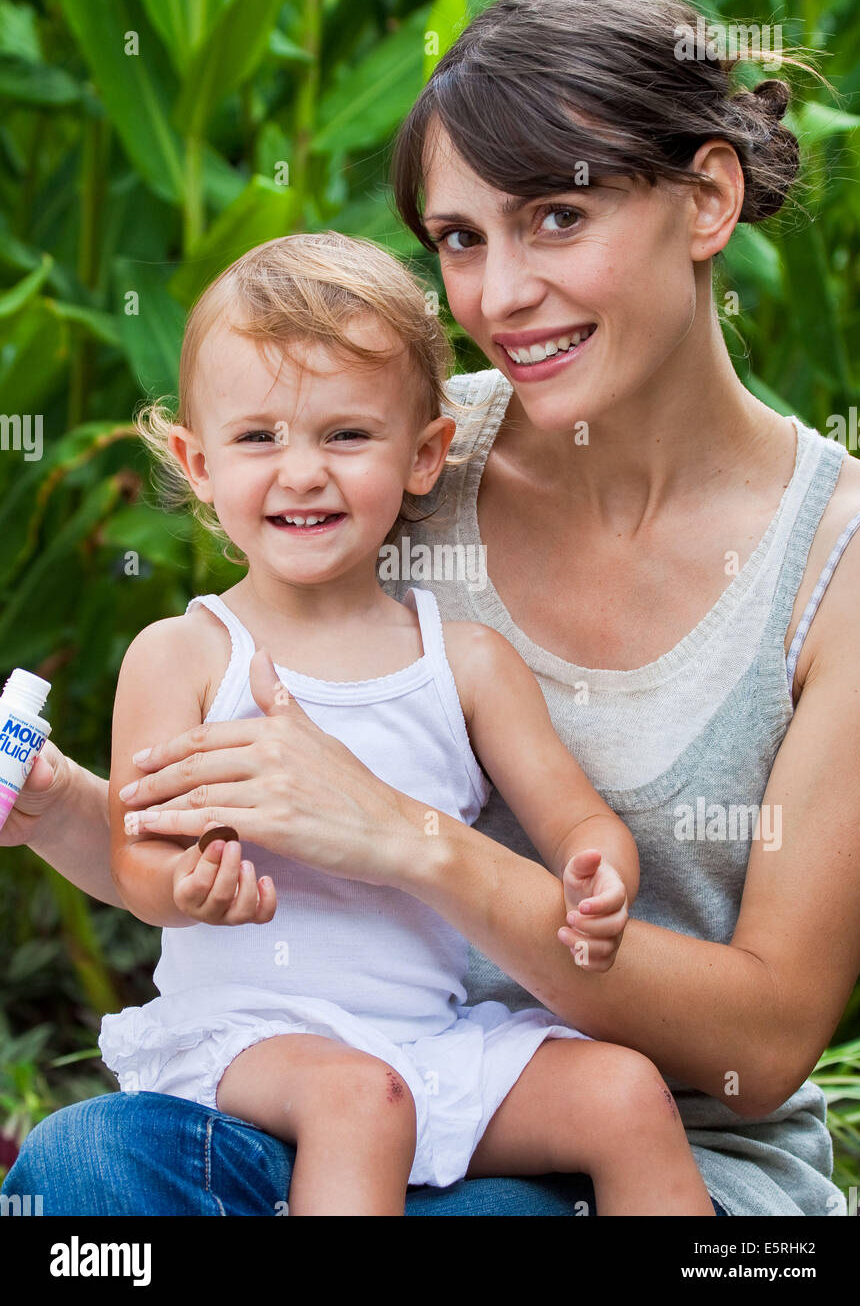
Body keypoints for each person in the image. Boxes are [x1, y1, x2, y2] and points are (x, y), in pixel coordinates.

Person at [5, 0, 860, 1217]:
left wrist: (407, 838)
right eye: (460, 239)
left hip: (636, 1147)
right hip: (332, 1102)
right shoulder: (389, 447)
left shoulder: (834, 563)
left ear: (706, 198)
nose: (499, 297)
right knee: (86, 1171)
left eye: (556, 217)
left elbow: (768, 1041)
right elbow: (216, 744)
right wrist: (77, 804)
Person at [96, 230, 714, 1217]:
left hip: (427, 1036)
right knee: (357, 1100)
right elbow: (138, 861)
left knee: (622, 1092)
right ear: (196, 462)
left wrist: (599, 874)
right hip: (252, 1033)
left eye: (345, 435)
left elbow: (573, 822)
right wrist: (188, 884)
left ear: (424, 454)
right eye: (259, 438)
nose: (301, 473)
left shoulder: (461, 662)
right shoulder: (185, 654)